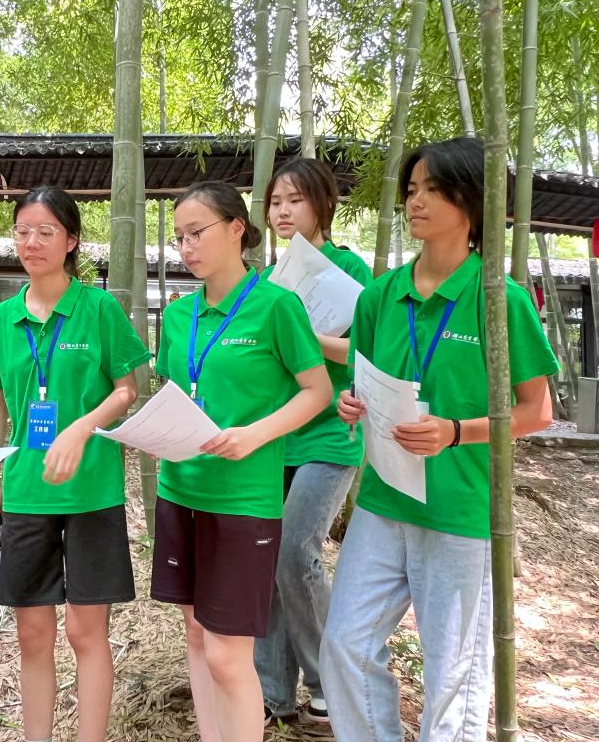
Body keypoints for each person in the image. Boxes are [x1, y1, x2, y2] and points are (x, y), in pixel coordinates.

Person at [321, 137, 558, 741]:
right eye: (411, 189)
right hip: (384, 500)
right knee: (345, 644)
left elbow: (536, 411)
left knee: (454, 674)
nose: (415, 201)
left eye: (433, 189)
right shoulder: (381, 296)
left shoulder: (499, 299)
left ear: (472, 202)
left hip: (459, 509)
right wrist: (352, 403)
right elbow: (363, 380)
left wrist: (455, 432)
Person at [150, 180, 333, 742]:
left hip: (243, 499)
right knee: (196, 637)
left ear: (236, 228)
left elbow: (317, 391)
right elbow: (178, 391)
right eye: (180, 237)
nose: (187, 247)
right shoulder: (179, 316)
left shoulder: (276, 306)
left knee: (229, 656)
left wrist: (254, 435)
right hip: (179, 489)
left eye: (197, 232)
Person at [0, 186, 151, 742]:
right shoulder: (2, 319)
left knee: (86, 631)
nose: (32, 242)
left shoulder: (99, 309)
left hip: (92, 488)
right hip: (26, 488)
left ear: (71, 241)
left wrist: (81, 425)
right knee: (32, 633)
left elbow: (127, 389)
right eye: (23, 231)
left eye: (46, 231)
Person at [252, 158, 372, 726]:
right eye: (275, 201)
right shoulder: (266, 281)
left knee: (295, 550)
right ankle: (272, 691)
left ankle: (330, 683)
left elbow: (369, 352)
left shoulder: (350, 269)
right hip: (276, 434)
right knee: (267, 557)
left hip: (331, 432)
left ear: (323, 204)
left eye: (295, 200)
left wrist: (303, 334)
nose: (282, 211)